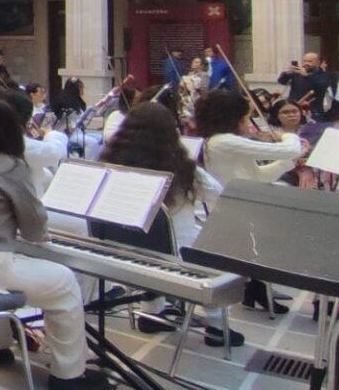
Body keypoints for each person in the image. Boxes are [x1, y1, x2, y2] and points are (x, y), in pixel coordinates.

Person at [0, 98, 114, 390]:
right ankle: (69, 373)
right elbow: (34, 231)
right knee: (64, 283)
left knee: (8, 271)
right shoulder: (10, 167)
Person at [101, 103, 240, 347]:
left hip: (125, 255)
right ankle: (216, 326)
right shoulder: (183, 168)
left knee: (154, 240)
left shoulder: (110, 164)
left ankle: (151, 313)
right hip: (177, 258)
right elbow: (219, 194)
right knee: (216, 252)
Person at [195, 88, 306, 314]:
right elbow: (290, 148)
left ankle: (256, 288)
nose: (249, 124)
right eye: (246, 118)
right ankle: (254, 288)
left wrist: (288, 163)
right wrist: (288, 135)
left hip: (244, 206)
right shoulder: (221, 142)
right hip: (232, 213)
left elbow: (257, 177)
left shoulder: (227, 142)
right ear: (233, 118)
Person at [278, 52, 334, 121]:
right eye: (304, 61)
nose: (306, 63)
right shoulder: (297, 72)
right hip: (295, 108)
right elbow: (281, 81)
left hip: (313, 110)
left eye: (309, 61)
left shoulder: (323, 75)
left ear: (318, 62)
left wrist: (307, 75)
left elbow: (322, 85)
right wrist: (287, 73)